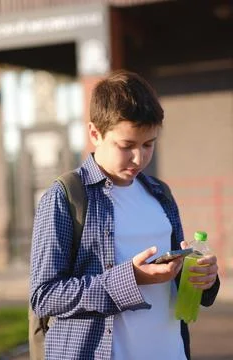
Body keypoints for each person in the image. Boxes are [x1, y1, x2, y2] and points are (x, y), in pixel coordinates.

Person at [30, 70, 220, 360]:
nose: (139, 158)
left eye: (148, 144)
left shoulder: (160, 193)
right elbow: (44, 296)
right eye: (126, 145)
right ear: (95, 133)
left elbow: (173, 278)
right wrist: (130, 279)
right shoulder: (65, 196)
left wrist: (201, 278)